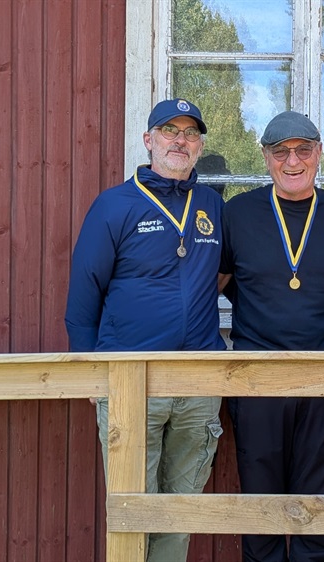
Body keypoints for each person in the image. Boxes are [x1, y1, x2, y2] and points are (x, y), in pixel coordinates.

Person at [64, 99, 225, 562]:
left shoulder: (212, 205)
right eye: (170, 131)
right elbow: (84, 292)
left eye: (190, 133)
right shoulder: (115, 205)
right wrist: (90, 370)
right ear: (148, 140)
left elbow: (226, 272)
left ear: (199, 146)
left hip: (198, 380)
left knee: (181, 508)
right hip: (131, 379)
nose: (180, 141)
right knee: (133, 507)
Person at [220, 111, 324, 562]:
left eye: (303, 150)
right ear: (265, 157)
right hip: (258, 379)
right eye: (280, 152)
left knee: (318, 510)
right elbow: (214, 285)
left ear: (319, 153)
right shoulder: (237, 214)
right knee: (262, 512)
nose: (292, 161)